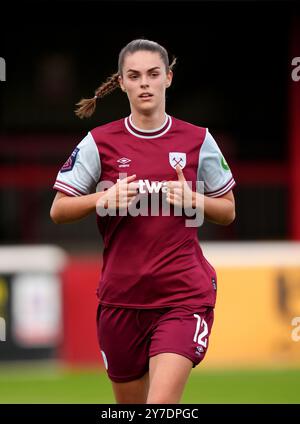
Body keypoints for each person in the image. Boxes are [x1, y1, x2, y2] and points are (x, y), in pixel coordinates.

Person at [50, 39, 236, 404]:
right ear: (121, 83)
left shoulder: (199, 140)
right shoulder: (98, 142)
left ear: (168, 77)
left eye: (153, 74)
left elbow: (228, 210)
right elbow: (59, 209)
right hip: (121, 302)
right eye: (134, 76)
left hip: (182, 298)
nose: (145, 83)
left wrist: (194, 199)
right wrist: (102, 198)